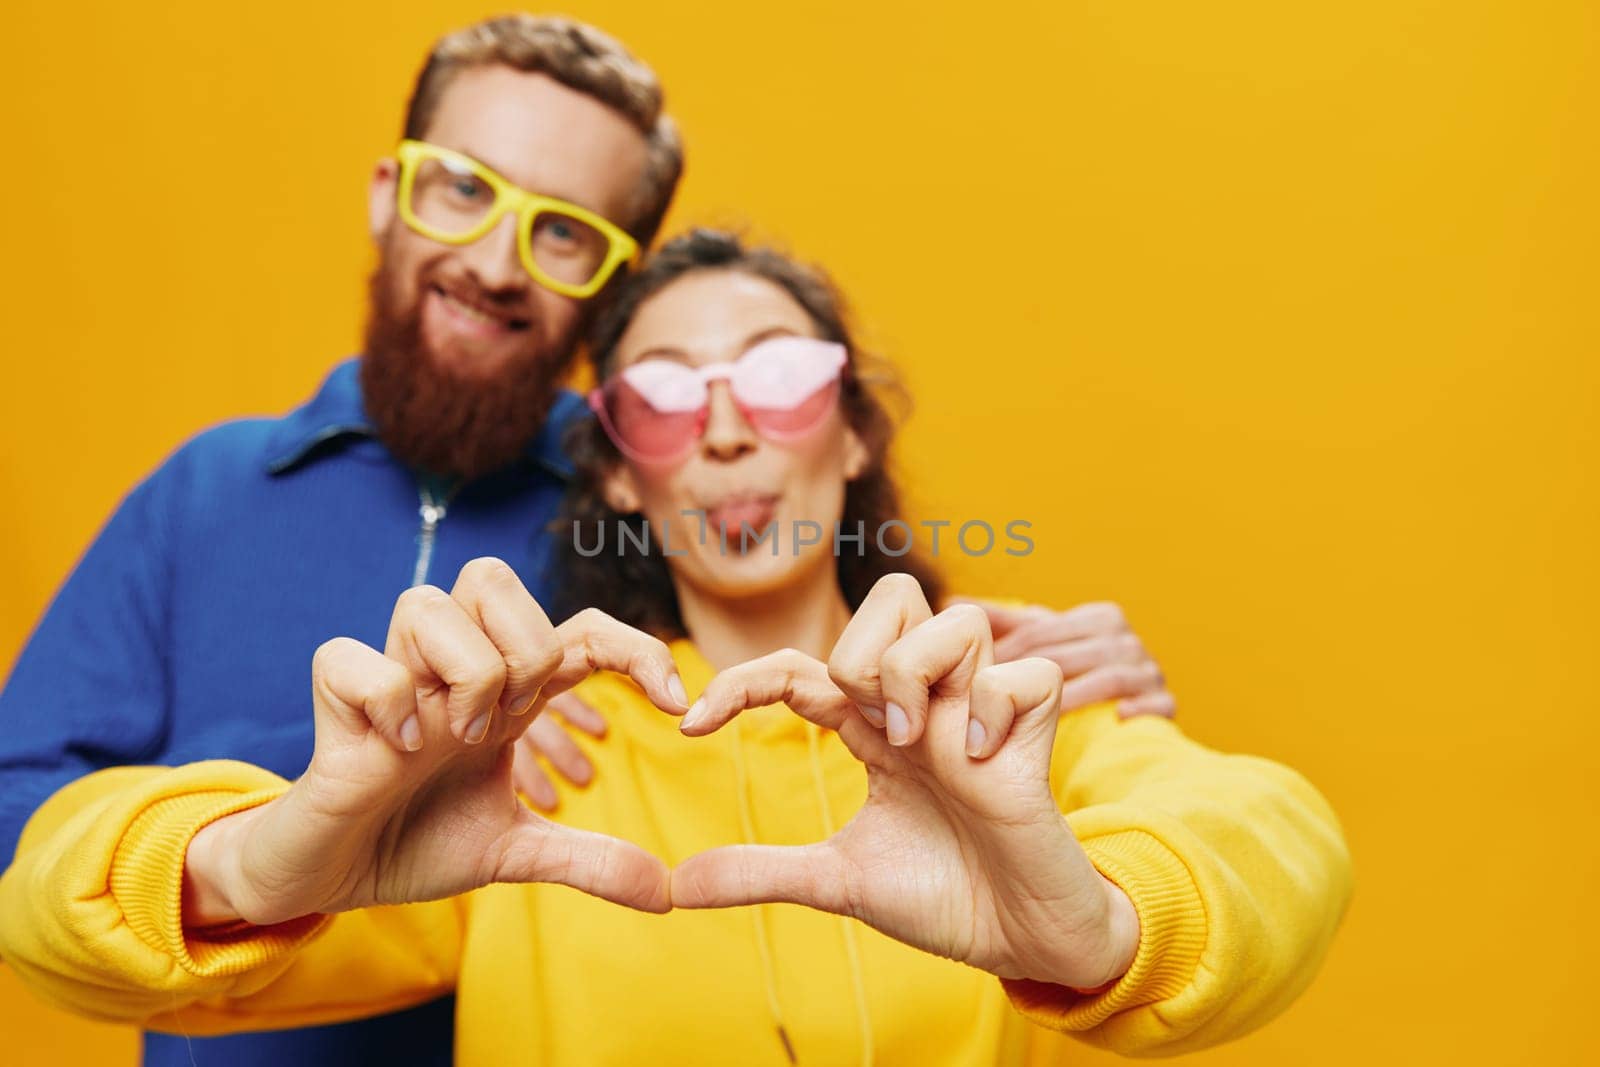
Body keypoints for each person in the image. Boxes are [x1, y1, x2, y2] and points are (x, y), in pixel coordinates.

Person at [0, 15, 1174, 1067]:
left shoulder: (683, 518)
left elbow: (1212, 837)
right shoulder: (219, 501)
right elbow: (35, 857)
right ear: (388, 192)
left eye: (563, 232)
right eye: (460, 189)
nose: (497, 263)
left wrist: (1079, 730)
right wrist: (331, 795)